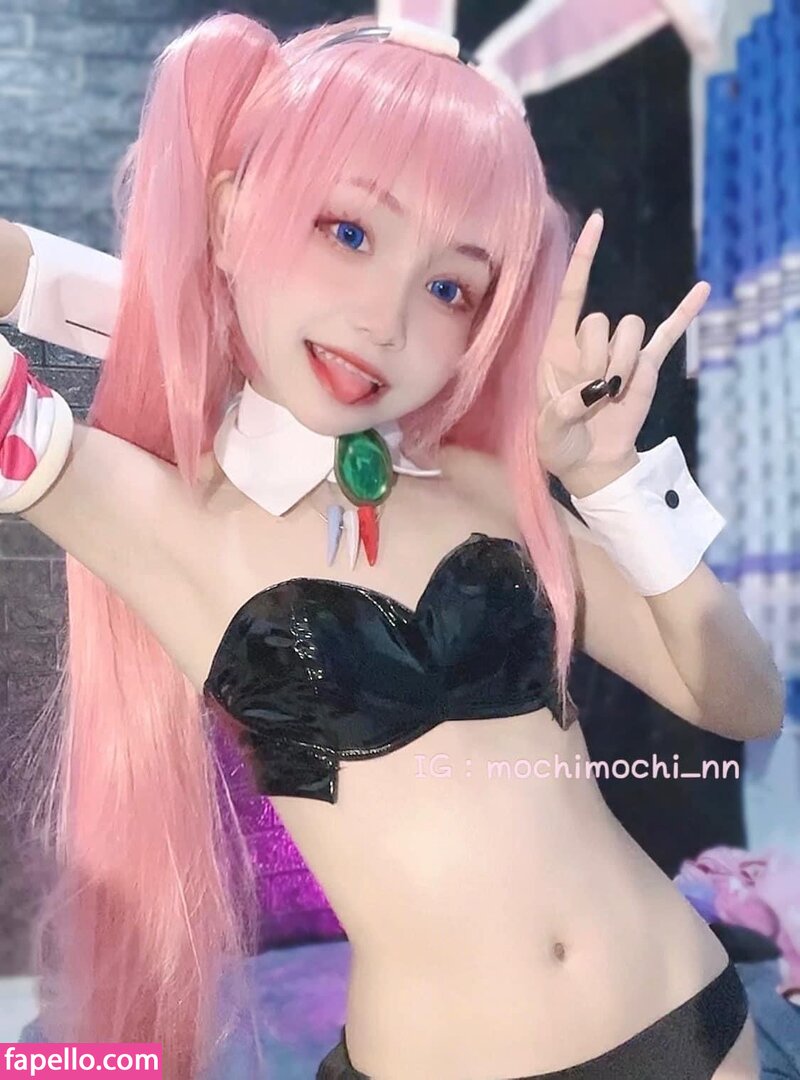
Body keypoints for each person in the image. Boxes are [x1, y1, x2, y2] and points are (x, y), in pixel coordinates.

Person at [0, 12, 784, 1079]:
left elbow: (742, 704)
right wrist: (180, 290)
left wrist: (615, 484)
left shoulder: (481, 482)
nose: (384, 320)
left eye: (449, 287)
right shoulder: (158, 516)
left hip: (687, 1022)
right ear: (231, 214)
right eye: (348, 233)